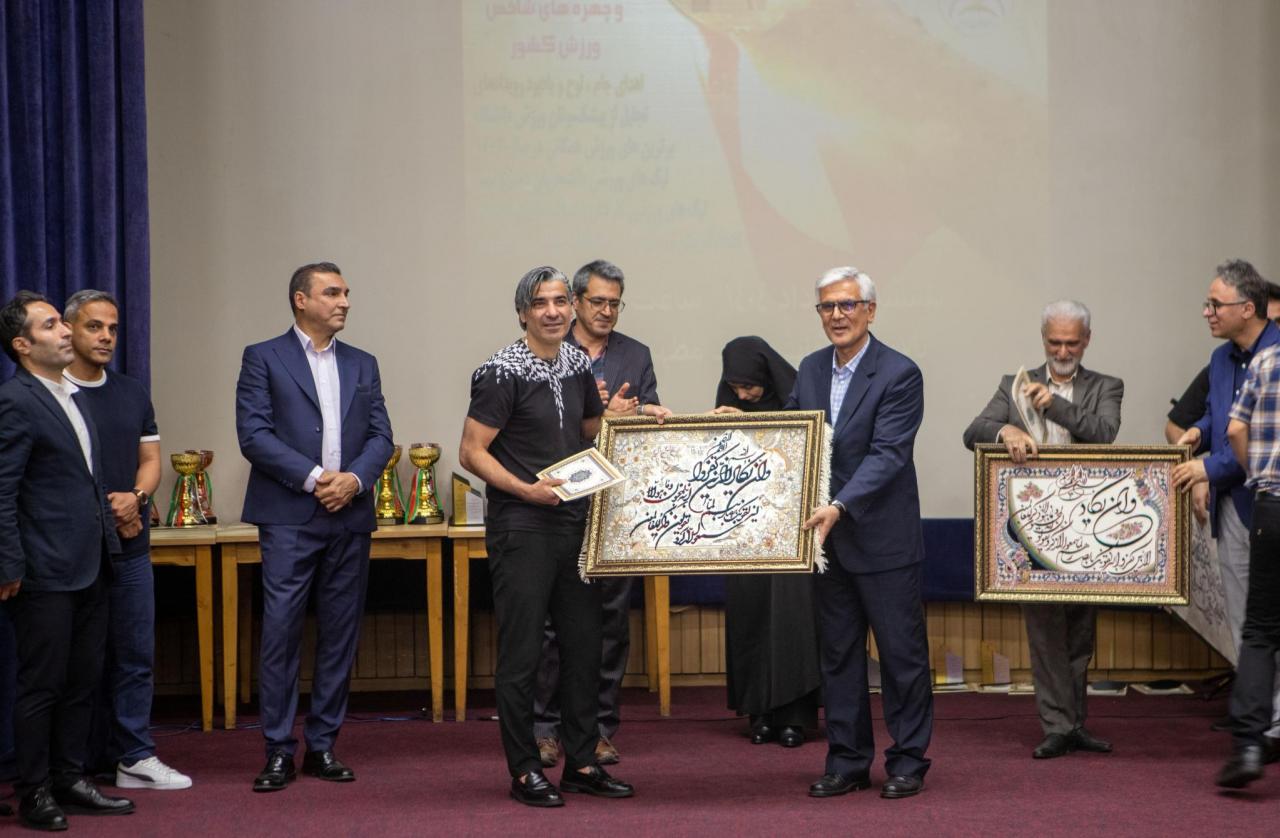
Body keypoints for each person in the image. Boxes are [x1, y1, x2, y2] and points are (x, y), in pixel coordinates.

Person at [459, 266, 633, 807]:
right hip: (522, 526)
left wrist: (623, 417)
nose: (553, 311)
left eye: (560, 301)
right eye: (541, 303)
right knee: (523, 654)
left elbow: (585, 428)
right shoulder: (500, 372)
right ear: (523, 313)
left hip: (574, 523)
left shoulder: (577, 363)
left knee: (584, 648)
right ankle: (524, 770)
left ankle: (580, 763)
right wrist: (525, 490)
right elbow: (471, 451)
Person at [235, 262, 393, 792]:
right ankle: (278, 750)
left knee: (340, 635)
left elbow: (381, 436)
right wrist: (316, 478)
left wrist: (354, 480)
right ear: (301, 300)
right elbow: (254, 436)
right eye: (332, 293)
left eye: (346, 292)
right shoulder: (263, 357)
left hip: (350, 515)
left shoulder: (363, 363)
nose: (344, 301)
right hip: (289, 516)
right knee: (281, 633)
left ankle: (323, 745)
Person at [786, 267, 932, 800]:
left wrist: (839, 506)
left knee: (901, 658)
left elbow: (888, 455)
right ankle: (847, 762)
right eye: (827, 306)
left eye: (848, 305)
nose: (837, 315)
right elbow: (793, 437)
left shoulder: (899, 373)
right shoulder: (809, 368)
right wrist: (747, 424)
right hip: (828, 546)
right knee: (839, 657)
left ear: (870, 310)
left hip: (883, 541)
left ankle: (908, 762)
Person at [963, 300, 1124, 759]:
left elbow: (1105, 433)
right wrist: (1005, 433)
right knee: (1045, 628)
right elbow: (973, 431)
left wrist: (1055, 406)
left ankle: (1074, 724)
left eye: (1071, 343)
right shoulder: (1013, 385)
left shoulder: (1106, 386)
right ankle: (1057, 725)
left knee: (1080, 632)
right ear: (1043, 339)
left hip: (1089, 526)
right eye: (1055, 342)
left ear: (1087, 341)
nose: (1062, 351)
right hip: (1034, 526)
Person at [0, 291, 133, 830]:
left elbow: (84, 482)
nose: (63, 331)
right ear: (22, 344)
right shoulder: (15, 401)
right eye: (51, 324)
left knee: (82, 681)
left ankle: (69, 778)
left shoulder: (69, 396)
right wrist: (9, 565)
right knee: (42, 686)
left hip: (92, 564)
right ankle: (34, 791)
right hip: (43, 572)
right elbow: (3, 490)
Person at [534, 259, 672, 769]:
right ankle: (545, 730)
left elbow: (645, 421)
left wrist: (648, 413)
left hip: (616, 508)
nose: (607, 311)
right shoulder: (549, 349)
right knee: (553, 627)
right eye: (598, 302)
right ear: (575, 302)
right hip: (557, 504)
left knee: (611, 623)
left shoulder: (636, 354)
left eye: (615, 303)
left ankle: (598, 730)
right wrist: (596, 416)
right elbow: (537, 428)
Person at [62, 290, 192, 791]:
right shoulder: (51, 394)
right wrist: (109, 510)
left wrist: (135, 499)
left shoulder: (132, 392)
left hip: (132, 548)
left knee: (136, 655)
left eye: (113, 329)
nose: (106, 337)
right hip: (75, 551)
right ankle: (71, 766)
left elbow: (151, 461)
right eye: (94, 327)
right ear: (69, 330)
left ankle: (134, 756)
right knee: (78, 662)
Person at [1171, 260, 1280, 748]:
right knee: (1243, 620)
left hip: (1268, 502)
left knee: (1270, 620)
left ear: (1247, 308)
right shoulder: (1220, 359)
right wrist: (1199, 431)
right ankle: (1262, 720)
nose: (1207, 312)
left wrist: (1206, 470)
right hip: (1233, 507)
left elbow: (1254, 440)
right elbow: (1223, 417)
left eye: (1215, 304)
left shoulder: (1274, 357)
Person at [712, 336, 822, 748]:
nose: (742, 395)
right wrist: (722, 428)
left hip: (792, 530)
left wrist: (754, 425)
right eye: (735, 387)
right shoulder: (730, 405)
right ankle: (758, 713)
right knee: (750, 617)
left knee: (791, 619)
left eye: (750, 386)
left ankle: (794, 717)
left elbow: (807, 450)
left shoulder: (799, 401)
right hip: (744, 533)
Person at [1218, 343, 1280, 787]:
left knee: (1259, 629)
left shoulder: (1266, 360)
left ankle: (1250, 746)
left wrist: (1256, 471)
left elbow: (1236, 428)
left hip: (1271, 505)